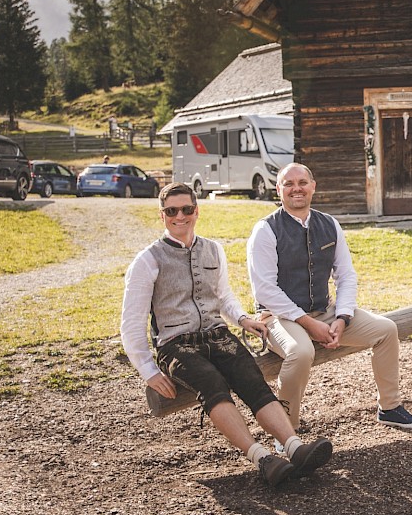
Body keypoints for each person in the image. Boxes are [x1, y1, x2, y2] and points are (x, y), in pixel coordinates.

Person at [120, 182, 333, 488]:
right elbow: (131, 322)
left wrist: (243, 319)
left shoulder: (213, 249)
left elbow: (224, 298)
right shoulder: (147, 260)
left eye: (187, 209)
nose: (180, 216)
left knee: (252, 381)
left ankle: (295, 447)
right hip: (176, 345)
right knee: (213, 385)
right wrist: (149, 370)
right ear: (162, 215)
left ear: (197, 211)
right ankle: (261, 458)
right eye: (171, 211)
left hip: (217, 335)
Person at [247, 163, 412, 435]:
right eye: (288, 183)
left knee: (386, 329)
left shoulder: (329, 224)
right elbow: (265, 290)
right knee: (301, 351)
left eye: (302, 182)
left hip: (324, 310)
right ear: (278, 190)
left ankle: (389, 407)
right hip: (277, 316)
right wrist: (309, 324)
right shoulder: (266, 230)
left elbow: (346, 275)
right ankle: (285, 428)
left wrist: (342, 317)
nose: (296, 188)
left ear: (313, 186)